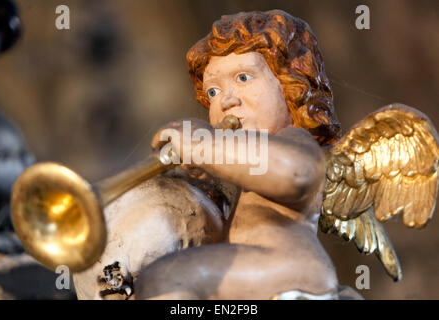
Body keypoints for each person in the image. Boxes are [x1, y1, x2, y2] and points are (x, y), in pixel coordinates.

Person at [132, 10, 347, 300]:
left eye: (243, 78)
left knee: (166, 278)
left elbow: (296, 174)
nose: (227, 100)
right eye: (212, 92)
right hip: (250, 269)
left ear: (290, 88)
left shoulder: (293, 138)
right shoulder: (241, 177)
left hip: (288, 265)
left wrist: (201, 146)